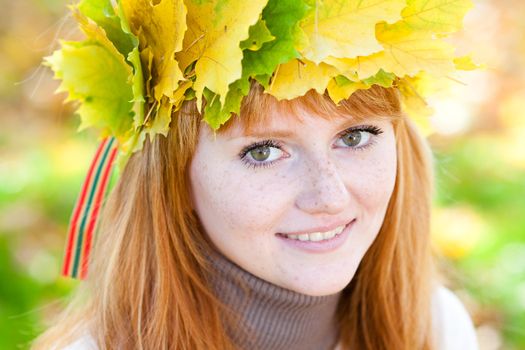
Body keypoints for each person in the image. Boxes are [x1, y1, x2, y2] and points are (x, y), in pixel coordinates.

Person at [32, 1, 480, 349]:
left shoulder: (438, 331)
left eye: (356, 136)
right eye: (264, 151)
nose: (329, 196)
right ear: (175, 180)